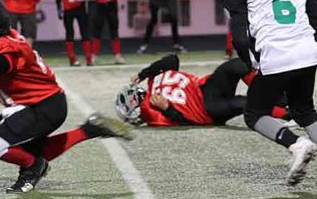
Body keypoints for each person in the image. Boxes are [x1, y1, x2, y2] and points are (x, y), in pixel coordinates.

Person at [0, 0, 131, 193]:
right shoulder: (4, 40)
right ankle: (89, 130)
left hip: (43, 106)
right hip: (44, 102)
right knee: (34, 150)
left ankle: (33, 168)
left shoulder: (5, 49)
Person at [221, 0, 317, 186]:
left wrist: (252, 62)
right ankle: (303, 139)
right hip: (308, 51)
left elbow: (241, 36)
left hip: (276, 56)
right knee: (304, 110)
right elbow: (313, 13)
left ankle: (296, 144)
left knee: (254, 113)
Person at [116, 54, 287, 127]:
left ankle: (280, 98)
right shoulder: (150, 111)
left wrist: (144, 74)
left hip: (206, 87)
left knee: (237, 65)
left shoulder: (153, 80)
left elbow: (171, 59)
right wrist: (167, 108)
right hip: (206, 110)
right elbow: (183, 122)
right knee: (244, 103)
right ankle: (289, 114)